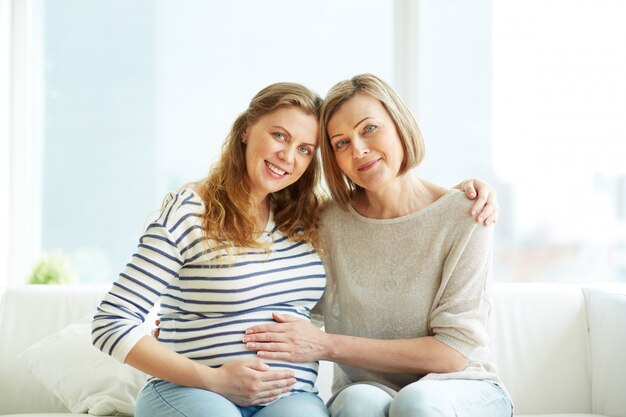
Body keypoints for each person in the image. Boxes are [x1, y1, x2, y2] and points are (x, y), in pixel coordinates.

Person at [243, 74, 512, 417]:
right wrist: (193, 315)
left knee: (416, 403)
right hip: (365, 389)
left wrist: (327, 346)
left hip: (461, 388)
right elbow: (285, 299)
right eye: (341, 143)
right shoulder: (325, 222)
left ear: (399, 124)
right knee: (357, 403)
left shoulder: (466, 214)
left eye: (369, 129)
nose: (358, 149)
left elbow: (452, 353)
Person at [91, 82, 331, 417]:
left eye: (305, 149)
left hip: (291, 398)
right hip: (191, 392)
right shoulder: (190, 211)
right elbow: (111, 321)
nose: (288, 157)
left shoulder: (307, 220)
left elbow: (319, 310)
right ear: (246, 130)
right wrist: (215, 379)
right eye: (280, 136)